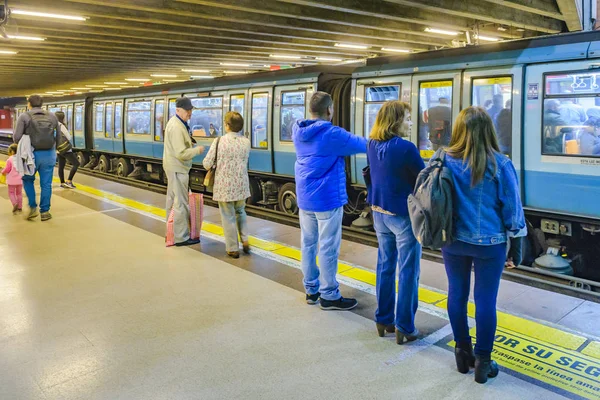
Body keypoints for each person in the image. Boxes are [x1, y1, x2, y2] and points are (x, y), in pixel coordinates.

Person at [442, 106, 526, 384]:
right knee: (485, 302)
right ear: (489, 130)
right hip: (490, 244)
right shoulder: (500, 163)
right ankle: (483, 363)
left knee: (456, 294)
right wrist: (516, 247)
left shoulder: (443, 159)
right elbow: (512, 212)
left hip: (452, 240)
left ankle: (461, 354)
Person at [292, 91, 367, 311]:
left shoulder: (298, 131)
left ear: (310, 110)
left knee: (308, 244)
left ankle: (311, 290)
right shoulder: (332, 134)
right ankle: (330, 295)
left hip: (305, 198)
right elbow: (363, 144)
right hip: (327, 199)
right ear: (329, 110)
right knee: (328, 247)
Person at [366, 101, 425, 344]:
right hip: (402, 215)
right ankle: (405, 326)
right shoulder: (406, 148)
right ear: (396, 121)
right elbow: (423, 179)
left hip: (379, 213)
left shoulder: (371, 143)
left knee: (386, 266)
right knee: (408, 269)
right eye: (408, 119)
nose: (411, 123)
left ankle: (383, 319)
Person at [203, 112, 251, 258]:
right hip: (241, 184)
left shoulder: (219, 141)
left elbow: (207, 164)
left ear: (228, 125)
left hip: (225, 186)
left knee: (228, 216)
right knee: (240, 212)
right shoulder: (246, 142)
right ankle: (245, 239)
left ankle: (232, 248)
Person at [163, 96, 205, 247]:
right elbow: (181, 153)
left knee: (172, 200)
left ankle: (171, 233)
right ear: (178, 110)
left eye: (191, 110)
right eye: (187, 110)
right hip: (177, 168)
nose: (190, 113)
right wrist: (196, 151)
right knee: (180, 202)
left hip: (175, 167)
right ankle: (181, 237)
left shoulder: (179, 123)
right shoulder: (176, 126)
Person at [13, 95, 59, 221]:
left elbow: (16, 137)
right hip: (49, 153)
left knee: (28, 180)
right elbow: (58, 136)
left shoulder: (24, 116)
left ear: (29, 104)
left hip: (31, 154)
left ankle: (32, 206)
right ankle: (45, 212)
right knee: (46, 184)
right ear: (42, 104)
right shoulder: (52, 116)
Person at [54, 111, 80, 189]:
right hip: (65, 149)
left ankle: (62, 183)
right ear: (62, 118)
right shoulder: (61, 125)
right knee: (76, 164)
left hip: (58, 149)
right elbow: (69, 137)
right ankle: (69, 181)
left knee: (61, 166)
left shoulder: (53, 125)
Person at [1, 143, 23, 214]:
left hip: (12, 180)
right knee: (19, 193)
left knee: (11, 192)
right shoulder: (21, 159)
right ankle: (20, 207)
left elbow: (7, 169)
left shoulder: (9, 160)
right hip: (20, 180)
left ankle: (14, 203)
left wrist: (2, 172)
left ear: (12, 152)